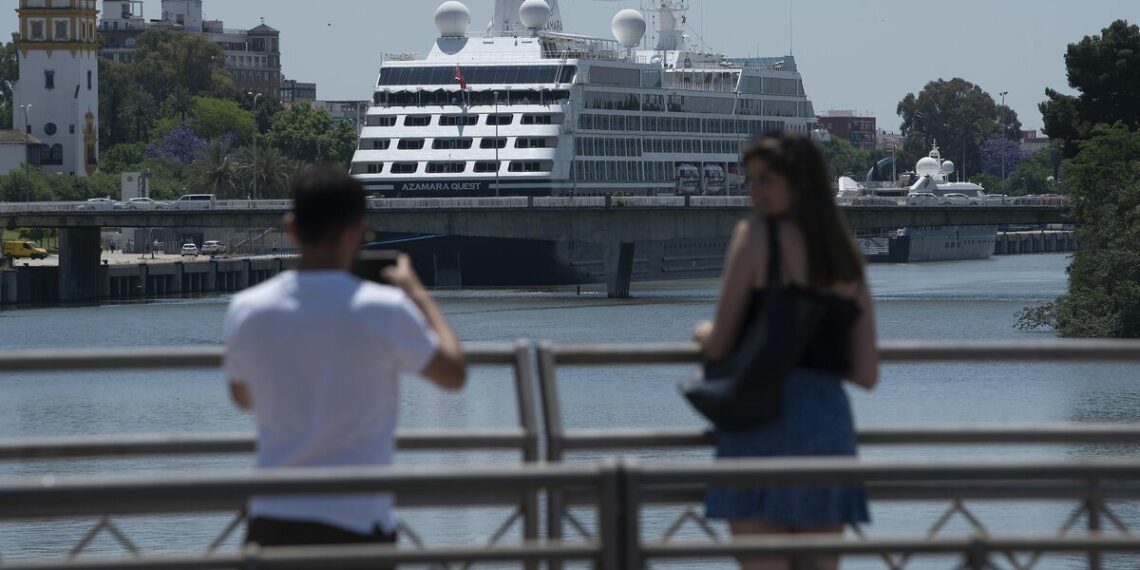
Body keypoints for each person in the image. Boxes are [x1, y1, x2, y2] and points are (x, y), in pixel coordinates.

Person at [223, 165, 467, 562]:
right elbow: (453, 374)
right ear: (356, 230)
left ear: (291, 227)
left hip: (272, 519)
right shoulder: (385, 309)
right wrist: (418, 296)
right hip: (358, 522)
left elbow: (241, 396)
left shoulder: (248, 309)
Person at [693, 134, 879, 570]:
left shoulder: (757, 235)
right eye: (751, 180)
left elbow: (719, 344)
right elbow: (866, 373)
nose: (753, 191)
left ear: (798, 184)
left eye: (765, 180)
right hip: (827, 431)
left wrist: (701, 332)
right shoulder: (845, 256)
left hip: (759, 426)